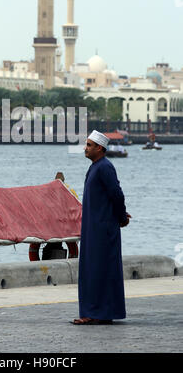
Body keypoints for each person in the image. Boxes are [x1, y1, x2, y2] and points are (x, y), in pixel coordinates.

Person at [72, 130, 131, 325]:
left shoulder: (105, 167)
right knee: (95, 269)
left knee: (97, 270)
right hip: (94, 227)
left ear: (99, 148)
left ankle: (94, 313)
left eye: (89, 145)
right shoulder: (96, 167)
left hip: (102, 229)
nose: (85, 148)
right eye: (86, 144)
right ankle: (101, 312)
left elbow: (117, 194)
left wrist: (121, 217)